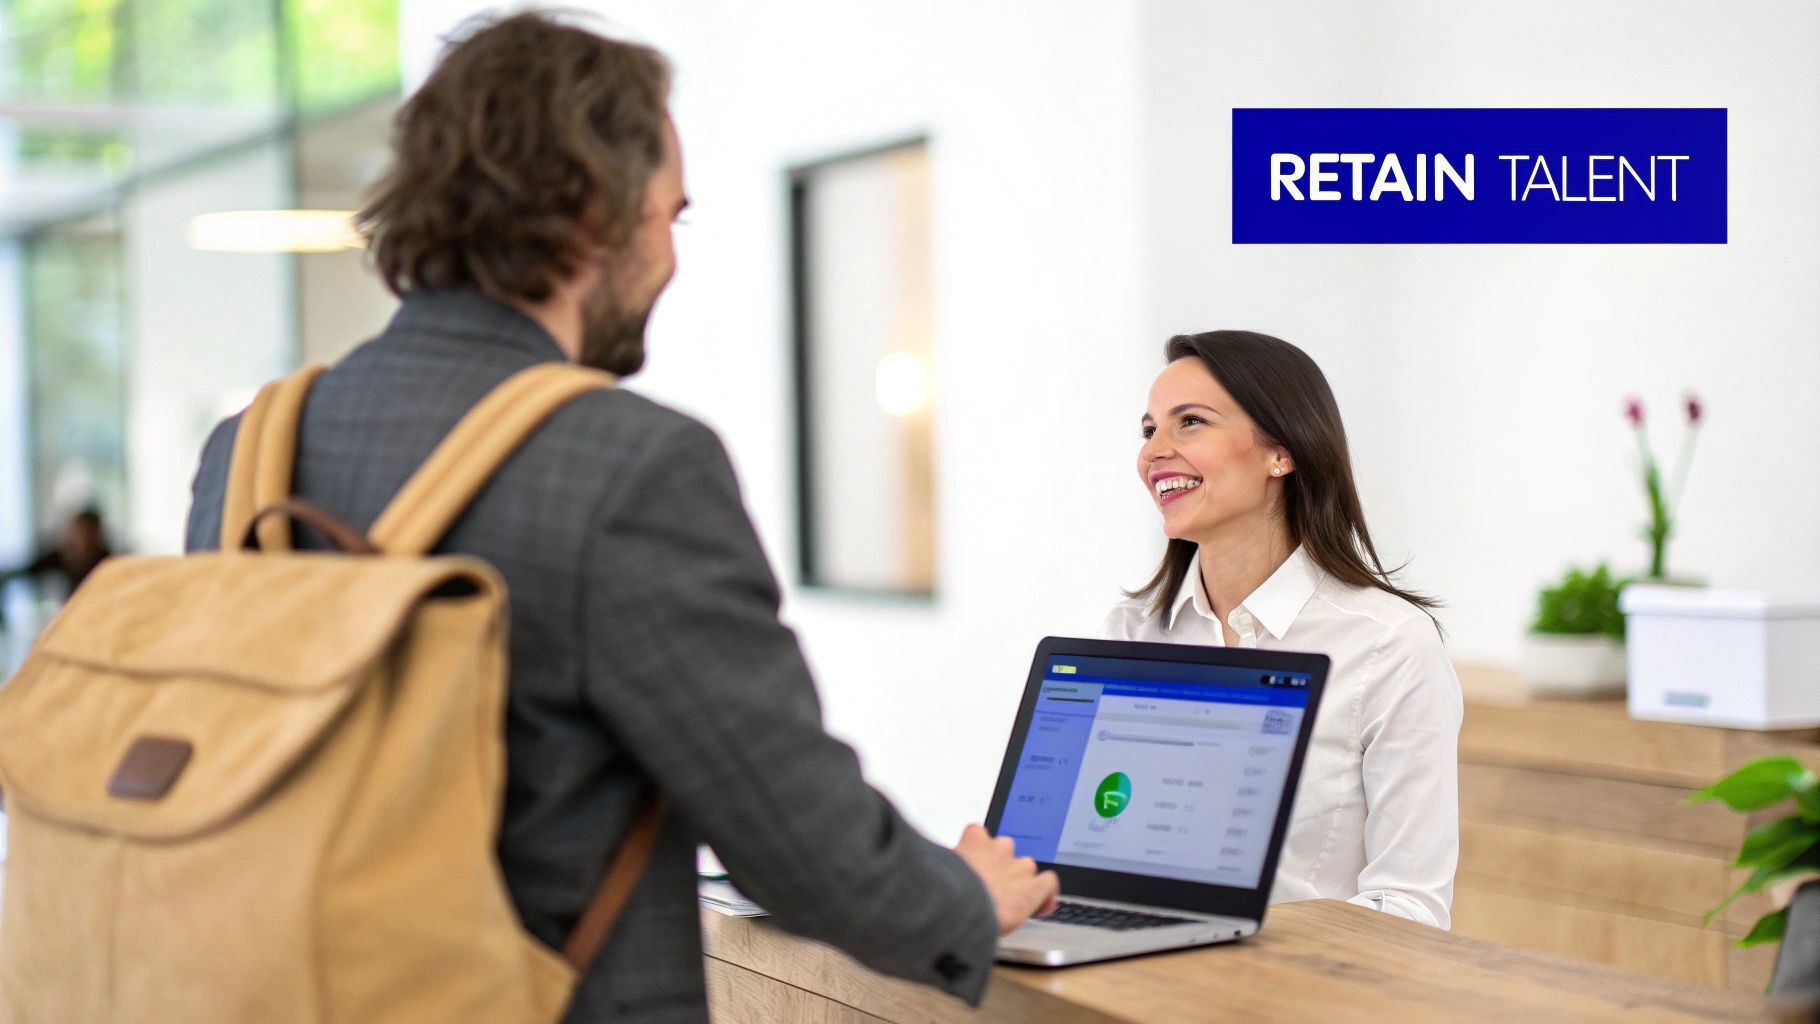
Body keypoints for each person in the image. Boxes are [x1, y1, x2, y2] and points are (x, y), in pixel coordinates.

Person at [183, 12, 1055, 1021]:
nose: (670, 259)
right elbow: (787, 832)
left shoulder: (250, 450)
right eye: (668, 217)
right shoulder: (629, 464)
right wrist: (963, 899)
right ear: (592, 211)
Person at [1103, 330, 1461, 929]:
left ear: (1282, 452)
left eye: (1190, 422)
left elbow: (1410, 907)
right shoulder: (1131, 633)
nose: (1153, 451)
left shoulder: (1389, 645)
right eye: (1148, 430)